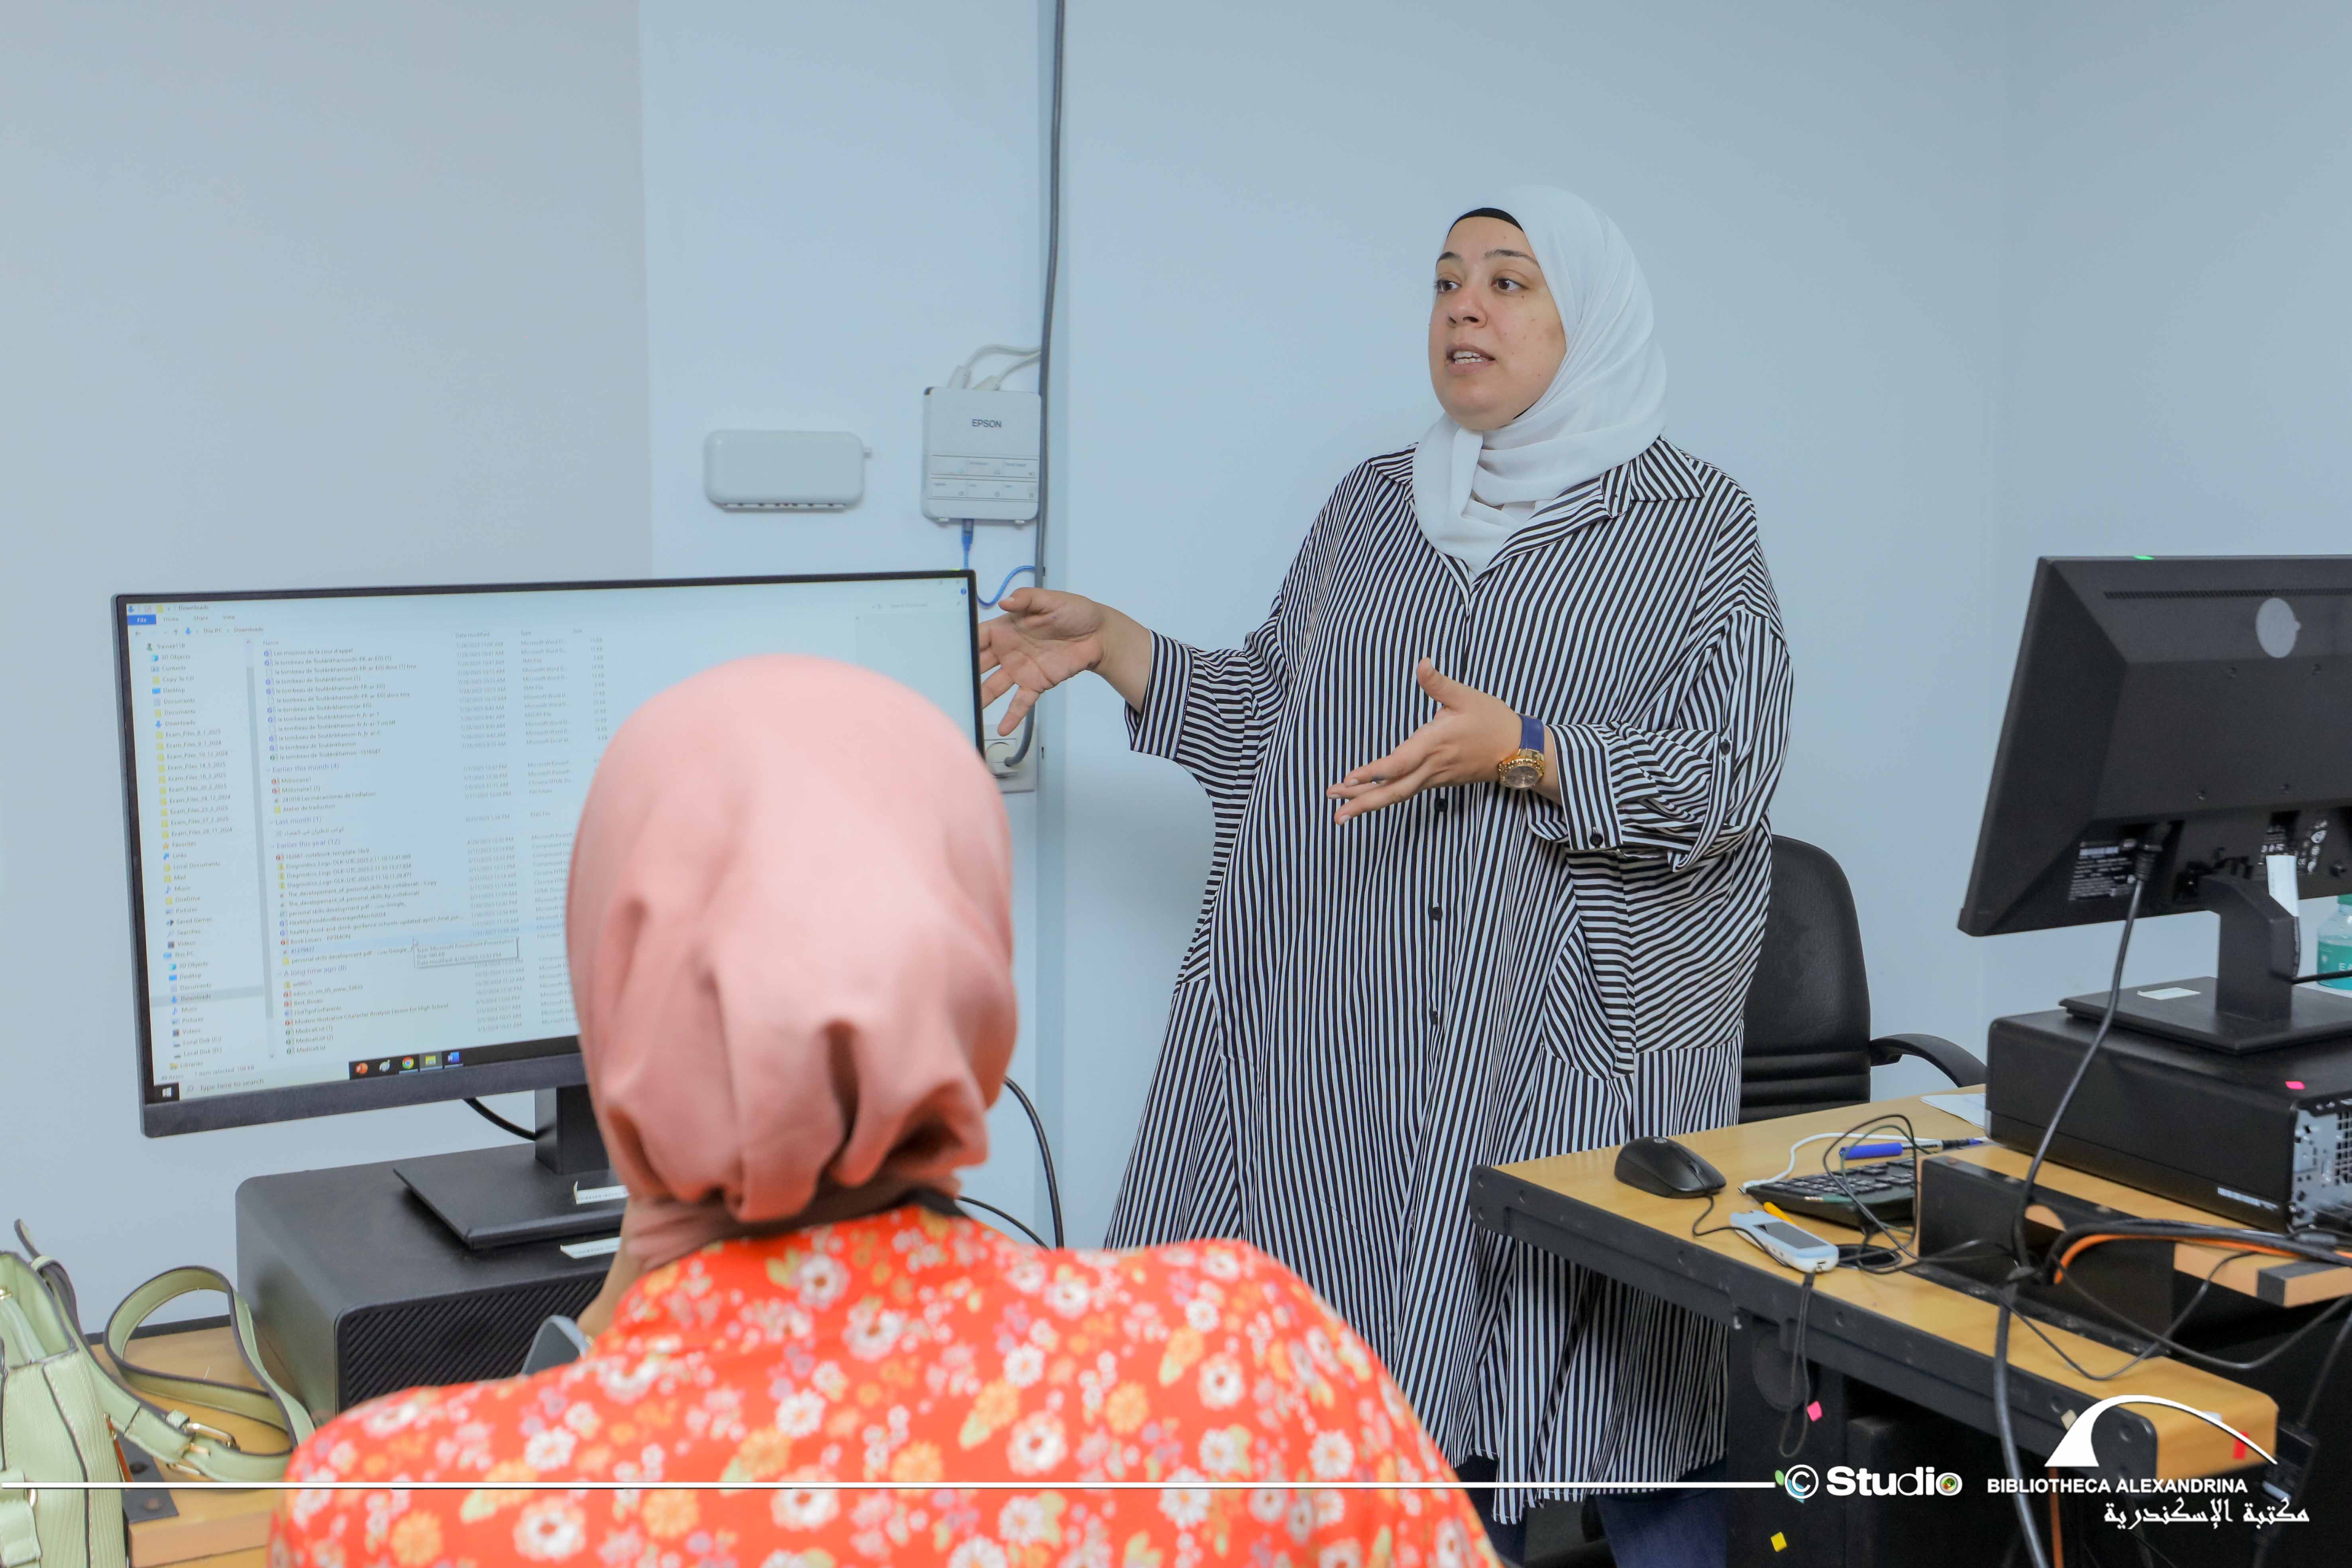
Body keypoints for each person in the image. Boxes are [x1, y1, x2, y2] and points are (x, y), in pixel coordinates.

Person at [269, 655, 1498, 1568]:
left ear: (614, 983)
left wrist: (592, 1346)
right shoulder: (1248, 1357)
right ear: (968, 964)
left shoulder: (393, 1507)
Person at [978, 187, 1791, 1566]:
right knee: (1373, 1407)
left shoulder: (1692, 523)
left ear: (1590, 320)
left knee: (1616, 1399)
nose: (1465, 306)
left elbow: (1728, 777)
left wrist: (1530, 752)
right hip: (1350, 1032)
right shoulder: (1373, 506)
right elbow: (1276, 721)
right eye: (1446, 281)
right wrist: (1118, 645)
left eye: (1510, 281)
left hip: (1560, 1047)